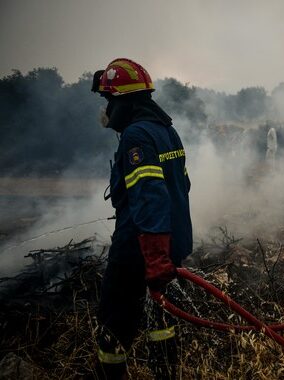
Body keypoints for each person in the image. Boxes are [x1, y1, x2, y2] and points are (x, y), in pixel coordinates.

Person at [91, 58, 193, 379]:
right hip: (173, 241)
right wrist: (166, 252)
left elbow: (150, 195)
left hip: (140, 245)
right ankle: (167, 373)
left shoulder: (136, 136)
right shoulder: (167, 131)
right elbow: (183, 184)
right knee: (159, 319)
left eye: (109, 99)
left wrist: (153, 254)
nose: (107, 107)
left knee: (113, 320)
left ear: (123, 101)